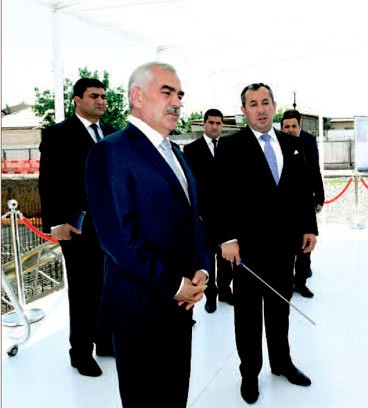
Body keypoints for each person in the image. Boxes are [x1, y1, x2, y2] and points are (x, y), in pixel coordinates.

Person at [84, 62, 209, 408]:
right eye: (166, 92)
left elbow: (193, 220)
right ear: (137, 97)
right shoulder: (110, 152)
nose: (177, 102)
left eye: (179, 95)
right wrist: (174, 284)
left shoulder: (176, 153)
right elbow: (118, 240)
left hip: (181, 305)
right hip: (139, 310)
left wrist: (201, 268)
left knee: (174, 396)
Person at [214, 83, 318, 404]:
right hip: (246, 249)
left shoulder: (292, 143)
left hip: (284, 245)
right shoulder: (230, 146)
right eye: (253, 104)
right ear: (243, 110)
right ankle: (249, 373)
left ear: (274, 105)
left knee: (279, 307)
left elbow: (302, 190)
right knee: (247, 315)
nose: (260, 109)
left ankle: (282, 363)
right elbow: (219, 196)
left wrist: (309, 227)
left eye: (265, 102)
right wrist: (227, 239)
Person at [38, 78, 115, 377]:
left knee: (109, 287)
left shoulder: (112, 133)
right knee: (84, 291)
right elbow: (48, 182)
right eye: (94, 96)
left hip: (112, 227)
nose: (101, 101)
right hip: (77, 225)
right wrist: (56, 222)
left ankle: (105, 342)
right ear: (77, 100)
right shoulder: (58, 134)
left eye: (104, 96)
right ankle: (80, 353)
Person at [183, 108, 234, 313]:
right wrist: (195, 211)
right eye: (211, 122)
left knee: (226, 256)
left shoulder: (229, 147)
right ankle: (210, 296)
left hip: (227, 214)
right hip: (204, 215)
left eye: (218, 123)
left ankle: (225, 290)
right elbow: (189, 184)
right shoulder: (191, 150)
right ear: (204, 124)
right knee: (208, 257)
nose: (215, 126)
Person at [280, 109, 325, 298]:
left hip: (305, 202)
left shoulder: (308, 142)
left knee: (305, 245)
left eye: (293, 126)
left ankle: (301, 283)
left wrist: (319, 197)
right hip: (282, 204)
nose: (290, 129)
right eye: (286, 126)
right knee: (285, 248)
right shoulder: (275, 144)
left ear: (300, 126)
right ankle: (286, 284)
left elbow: (315, 170)